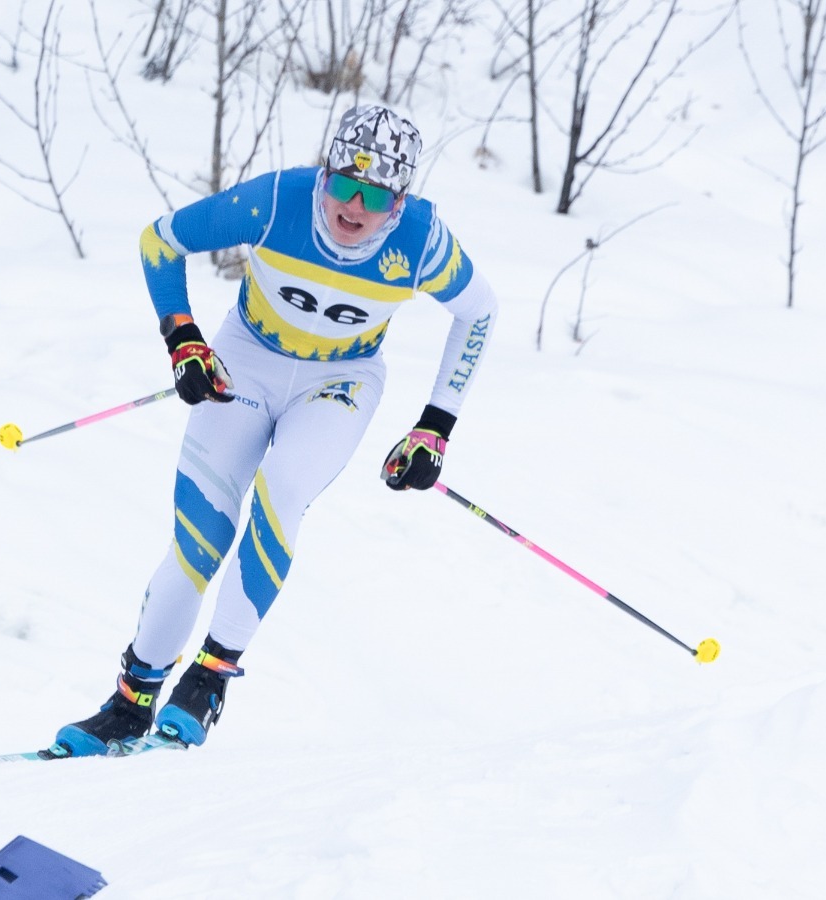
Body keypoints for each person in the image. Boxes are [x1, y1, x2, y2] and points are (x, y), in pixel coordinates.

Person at [53, 105, 497, 756]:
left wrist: (436, 424)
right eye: (343, 184)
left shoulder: (422, 241)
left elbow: (479, 312)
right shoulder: (276, 201)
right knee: (199, 541)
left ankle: (210, 678)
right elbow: (159, 242)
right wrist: (183, 338)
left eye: (376, 196)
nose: (354, 206)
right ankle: (129, 703)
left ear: (399, 203)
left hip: (340, 382)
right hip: (246, 362)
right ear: (324, 176)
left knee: (284, 487)